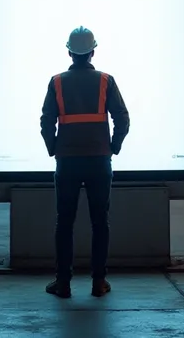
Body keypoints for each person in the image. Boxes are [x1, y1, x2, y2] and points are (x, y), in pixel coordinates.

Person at [40, 26, 130, 299]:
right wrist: (112, 147)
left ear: (69, 52)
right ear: (92, 52)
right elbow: (122, 119)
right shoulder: (106, 81)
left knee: (64, 223)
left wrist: (53, 148)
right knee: (99, 222)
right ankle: (98, 282)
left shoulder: (56, 82)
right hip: (99, 161)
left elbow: (46, 121)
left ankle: (63, 283)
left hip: (67, 161)